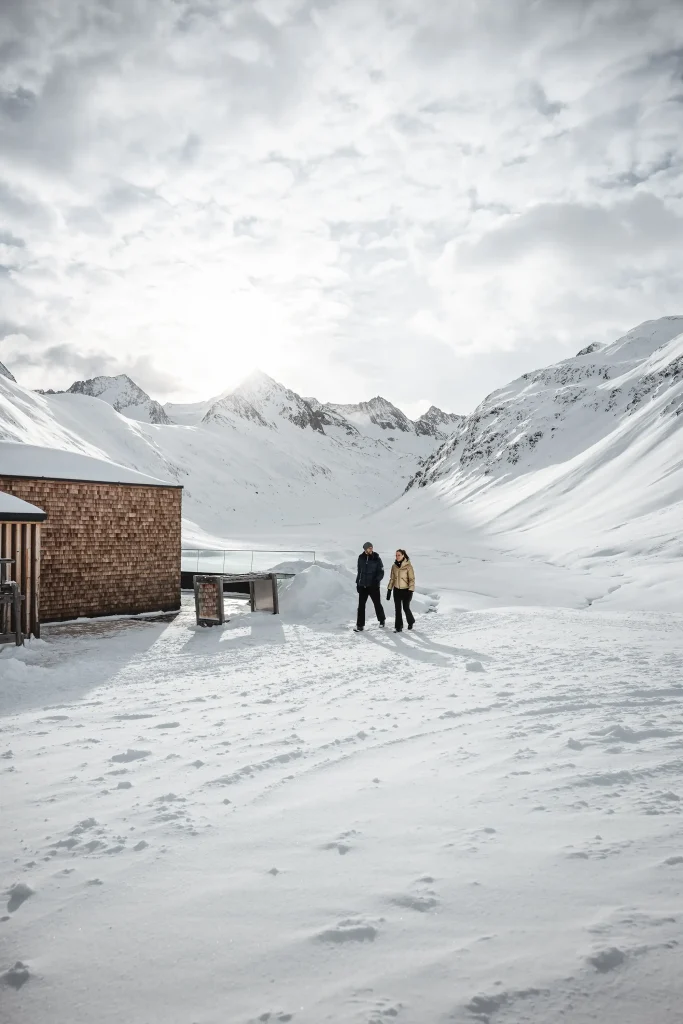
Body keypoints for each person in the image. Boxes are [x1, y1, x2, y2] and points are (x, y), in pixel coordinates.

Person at [354, 542, 386, 632]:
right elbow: (359, 572)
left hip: (373, 586)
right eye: (369, 548)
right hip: (363, 586)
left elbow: (381, 572)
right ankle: (360, 625)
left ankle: (382, 620)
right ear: (365, 549)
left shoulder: (376, 558)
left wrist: (376, 581)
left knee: (377, 604)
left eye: (371, 548)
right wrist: (358, 583)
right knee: (361, 606)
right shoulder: (361, 558)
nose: (371, 549)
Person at [387, 548, 415, 632]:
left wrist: (410, 590)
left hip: (406, 590)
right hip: (397, 590)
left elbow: (412, 579)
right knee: (397, 609)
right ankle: (398, 627)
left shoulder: (408, 566)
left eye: (399, 555)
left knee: (406, 608)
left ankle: (411, 621)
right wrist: (389, 590)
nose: (397, 557)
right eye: (396, 555)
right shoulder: (394, 566)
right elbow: (392, 579)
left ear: (403, 555)